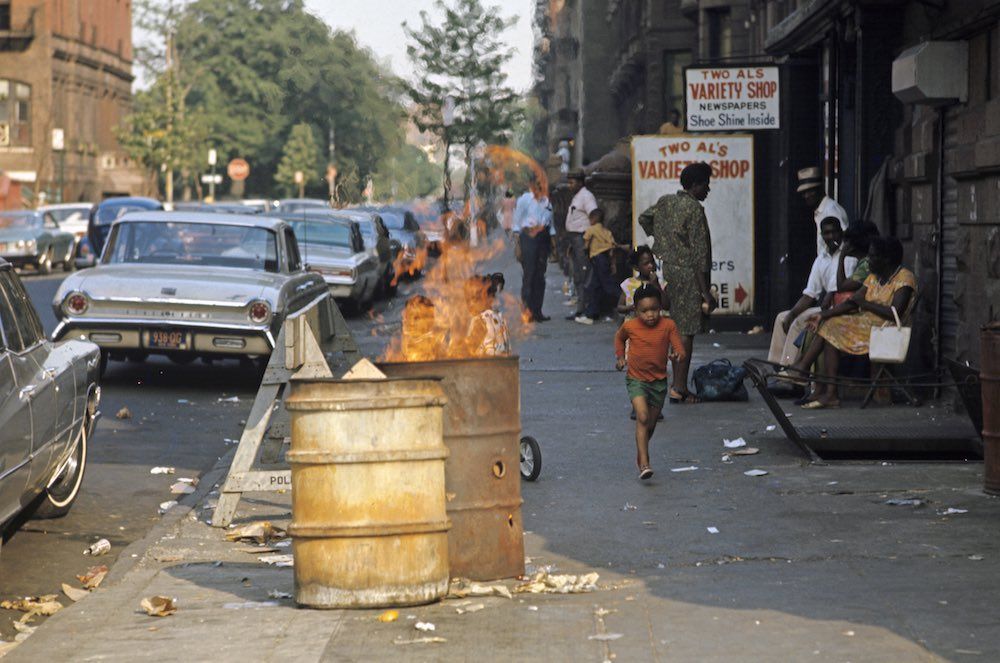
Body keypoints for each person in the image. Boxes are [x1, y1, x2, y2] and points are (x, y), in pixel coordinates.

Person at [790, 237, 916, 408]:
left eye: (872, 257)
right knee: (827, 324)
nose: (868, 260)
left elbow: (895, 313)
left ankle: (807, 372)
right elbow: (853, 303)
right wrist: (824, 314)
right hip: (866, 326)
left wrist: (865, 304)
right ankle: (825, 389)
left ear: (886, 259)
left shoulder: (904, 278)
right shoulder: (874, 277)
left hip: (886, 331)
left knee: (831, 327)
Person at [638, 162, 716, 404]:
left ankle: (676, 385)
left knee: (672, 329)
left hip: (665, 272)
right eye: (706, 184)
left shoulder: (665, 202)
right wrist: (705, 293)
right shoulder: (694, 210)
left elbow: (644, 218)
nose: (708, 190)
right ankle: (679, 387)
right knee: (686, 333)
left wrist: (662, 240)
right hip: (687, 277)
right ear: (695, 185)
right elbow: (699, 257)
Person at [615, 284, 686, 480]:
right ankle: (644, 463)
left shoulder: (668, 325)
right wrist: (621, 357)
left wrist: (678, 355)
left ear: (661, 308)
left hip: (659, 383)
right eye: (644, 311)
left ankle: (641, 451)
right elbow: (619, 339)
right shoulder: (630, 326)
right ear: (636, 310)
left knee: (651, 424)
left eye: (655, 309)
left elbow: (680, 348)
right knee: (643, 417)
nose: (650, 315)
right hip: (636, 379)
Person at [768, 217, 857, 367]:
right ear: (822, 235)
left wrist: (797, 316)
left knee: (799, 322)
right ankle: (776, 365)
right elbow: (810, 294)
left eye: (834, 232)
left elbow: (836, 292)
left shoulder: (848, 256)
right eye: (827, 233)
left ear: (841, 233)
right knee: (782, 318)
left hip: (837, 306)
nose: (831, 237)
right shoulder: (821, 258)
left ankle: (790, 370)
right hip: (823, 304)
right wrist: (792, 313)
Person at [513, 180, 554, 322]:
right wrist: (518, 246)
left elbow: (551, 224)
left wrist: (552, 244)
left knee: (540, 276)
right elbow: (516, 223)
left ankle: (538, 311)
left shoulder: (547, 201)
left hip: (543, 239)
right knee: (529, 275)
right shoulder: (524, 200)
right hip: (528, 238)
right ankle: (526, 312)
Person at [563, 169, 599, 320]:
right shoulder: (576, 197)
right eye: (569, 182)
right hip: (574, 239)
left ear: (580, 182)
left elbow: (595, 215)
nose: (569, 185)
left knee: (585, 275)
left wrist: (588, 238)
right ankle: (580, 308)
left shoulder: (586, 196)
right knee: (577, 275)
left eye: (572, 182)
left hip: (582, 238)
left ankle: (588, 309)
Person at [575, 209, 620, 324]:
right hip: (605, 259)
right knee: (596, 286)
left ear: (593, 219)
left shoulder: (591, 230)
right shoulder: (606, 231)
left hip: (597, 259)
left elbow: (586, 244)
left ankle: (624, 301)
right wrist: (613, 264)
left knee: (607, 285)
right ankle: (591, 313)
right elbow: (612, 248)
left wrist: (584, 251)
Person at [797, 166, 849, 257]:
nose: (806, 196)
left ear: (820, 188)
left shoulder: (831, 209)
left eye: (810, 191)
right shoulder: (819, 211)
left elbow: (845, 243)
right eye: (804, 192)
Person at [465, 273, 511, 356]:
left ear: (485, 297)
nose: (469, 304)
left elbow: (468, 350)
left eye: (473, 298)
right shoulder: (495, 317)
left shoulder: (482, 321)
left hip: (485, 366)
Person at [617, 245, 668, 316]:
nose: (651, 266)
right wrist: (630, 308)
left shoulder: (661, 282)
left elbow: (666, 306)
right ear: (636, 267)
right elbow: (619, 307)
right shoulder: (628, 284)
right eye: (646, 264)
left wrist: (656, 285)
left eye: (652, 262)